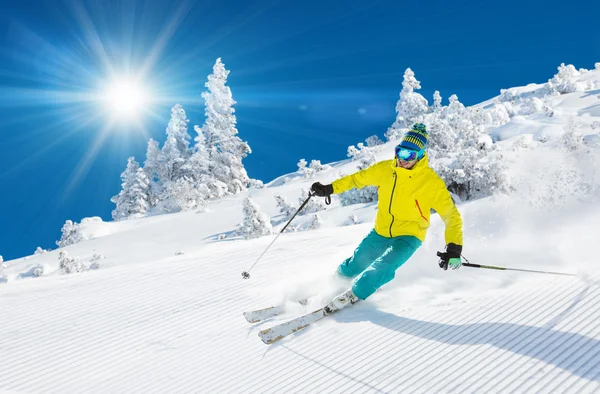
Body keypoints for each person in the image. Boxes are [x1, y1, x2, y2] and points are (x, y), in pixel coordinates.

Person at [310, 123, 463, 314]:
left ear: (421, 156)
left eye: (410, 155)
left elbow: (451, 215)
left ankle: (355, 294)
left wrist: (454, 247)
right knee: (356, 262)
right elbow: (356, 179)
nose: (402, 159)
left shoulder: (430, 182)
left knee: (385, 266)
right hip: (381, 230)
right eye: (400, 152)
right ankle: (333, 285)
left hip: (410, 234)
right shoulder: (385, 170)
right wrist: (330, 188)